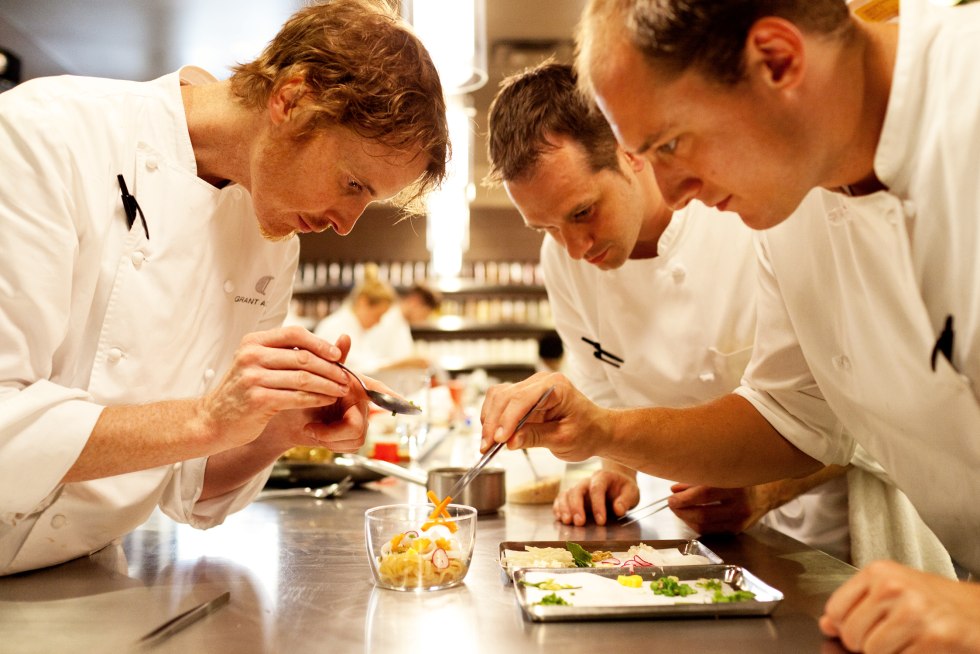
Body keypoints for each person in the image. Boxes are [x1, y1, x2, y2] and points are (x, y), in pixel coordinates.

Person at [480, 0, 980, 650]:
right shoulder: (792, 195)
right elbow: (790, 417)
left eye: (668, 144)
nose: (672, 190)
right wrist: (603, 431)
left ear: (778, 61)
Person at [0, 0, 448, 575]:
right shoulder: (46, 135)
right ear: (291, 99)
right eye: (353, 183)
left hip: (80, 574)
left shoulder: (272, 237)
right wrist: (208, 419)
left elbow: (184, 484)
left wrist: (274, 428)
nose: (346, 224)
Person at [486, 60, 858, 561]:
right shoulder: (562, 261)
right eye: (547, 227)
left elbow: (852, 416)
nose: (573, 248)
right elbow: (607, 404)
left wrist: (765, 491)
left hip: (821, 535)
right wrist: (614, 473)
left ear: (630, 154)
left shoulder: (748, 213)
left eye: (582, 212)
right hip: (688, 534)